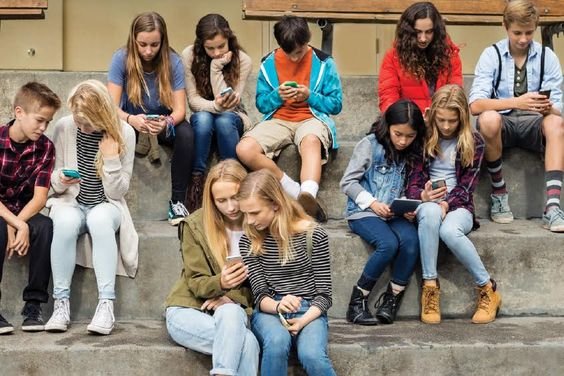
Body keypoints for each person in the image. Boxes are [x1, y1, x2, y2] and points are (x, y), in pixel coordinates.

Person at [44, 80, 138, 335]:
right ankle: (60, 303)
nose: (82, 128)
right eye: (78, 121)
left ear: (103, 115)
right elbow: (53, 180)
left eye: (88, 123)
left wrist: (111, 158)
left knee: (99, 221)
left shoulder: (125, 133)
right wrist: (60, 178)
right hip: (71, 200)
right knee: (62, 222)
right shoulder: (65, 127)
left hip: (107, 204)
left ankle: (106, 304)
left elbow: (118, 191)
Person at [406, 84, 501, 324]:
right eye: (441, 120)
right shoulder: (422, 140)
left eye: (452, 121)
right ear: (432, 116)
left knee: (449, 230)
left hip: (459, 206)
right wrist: (422, 196)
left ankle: (487, 288)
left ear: (462, 118)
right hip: (429, 203)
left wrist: (447, 204)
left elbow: (467, 187)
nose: (446, 126)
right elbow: (414, 179)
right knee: (428, 212)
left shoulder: (475, 142)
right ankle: (430, 286)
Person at [236, 15, 343, 223]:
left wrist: (309, 95)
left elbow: (336, 104)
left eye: (300, 52)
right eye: (289, 53)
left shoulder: (324, 63)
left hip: (312, 117)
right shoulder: (269, 63)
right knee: (244, 149)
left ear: (307, 40)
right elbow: (261, 104)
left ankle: (309, 193)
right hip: (278, 119)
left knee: (311, 140)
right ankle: (295, 191)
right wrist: (277, 95)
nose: (294, 58)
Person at [469, 0, 564, 231]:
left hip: (535, 123)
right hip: (505, 124)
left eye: (529, 32)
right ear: (505, 27)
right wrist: (516, 102)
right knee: (488, 118)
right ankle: (499, 192)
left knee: (557, 122)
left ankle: (552, 206)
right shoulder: (492, 54)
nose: (523, 39)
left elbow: (559, 107)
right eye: (517, 33)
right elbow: (475, 105)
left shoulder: (547, 56)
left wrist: (546, 108)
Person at [165, 159, 259, 376]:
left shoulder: (259, 223)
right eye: (221, 200)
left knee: (231, 311)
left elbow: (267, 284)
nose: (231, 207)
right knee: (247, 343)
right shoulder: (196, 225)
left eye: (235, 197)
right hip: (189, 310)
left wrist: (232, 297)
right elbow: (196, 281)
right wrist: (220, 283)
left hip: (233, 314)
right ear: (212, 200)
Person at [238, 169, 336, 376]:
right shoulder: (250, 240)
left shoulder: (314, 235)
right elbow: (260, 295)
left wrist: (303, 320)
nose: (249, 221)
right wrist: (278, 305)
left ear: (276, 204)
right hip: (270, 309)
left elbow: (325, 295)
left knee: (312, 355)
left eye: (254, 212)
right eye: (245, 213)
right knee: (277, 342)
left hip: (310, 309)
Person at [340, 99, 426, 325]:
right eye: (398, 134)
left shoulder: (412, 151)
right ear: (387, 126)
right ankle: (358, 300)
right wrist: (372, 203)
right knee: (388, 243)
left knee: (411, 242)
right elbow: (348, 183)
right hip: (363, 212)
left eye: (410, 136)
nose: (403, 141)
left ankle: (392, 299)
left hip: (393, 214)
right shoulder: (369, 145)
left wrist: (407, 207)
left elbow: (409, 184)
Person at [107, 11, 195, 226]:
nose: (148, 51)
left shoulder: (173, 61)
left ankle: (177, 203)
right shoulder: (121, 58)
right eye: (142, 44)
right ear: (134, 40)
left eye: (154, 45)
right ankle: (107, 199)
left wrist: (167, 122)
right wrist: (131, 119)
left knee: (186, 133)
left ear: (162, 41)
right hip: (131, 122)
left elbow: (180, 110)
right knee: (106, 129)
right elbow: (110, 107)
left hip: (161, 122)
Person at [0, 82, 60, 334]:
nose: (44, 127)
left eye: (48, 122)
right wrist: (14, 224)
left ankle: (33, 306)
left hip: (24, 210)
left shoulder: (45, 147)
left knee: (46, 227)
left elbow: (39, 198)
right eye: (39, 120)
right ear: (19, 112)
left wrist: (20, 222)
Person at [182, 13, 252, 213]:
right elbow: (193, 101)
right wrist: (216, 106)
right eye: (210, 48)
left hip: (232, 116)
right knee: (203, 119)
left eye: (221, 46)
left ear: (229, 39)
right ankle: (197, 184)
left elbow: (230, 105)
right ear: (201, 44)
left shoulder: (243, 60)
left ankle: (233, 178)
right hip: (204, 113)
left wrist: (216, 69)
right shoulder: (189, 55)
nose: (216, 52)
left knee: (222, 121)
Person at [378, 1, 462, 113]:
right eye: (417, 32)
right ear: (408, 31)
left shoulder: (450, 55)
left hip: (441, 122)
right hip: (408, 123)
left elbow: (455, 95)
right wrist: (403, 121)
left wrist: (438, 119)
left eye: (428, 32)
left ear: (436, 31)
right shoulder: (393, 57)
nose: (423, 38)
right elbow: (388, 96)